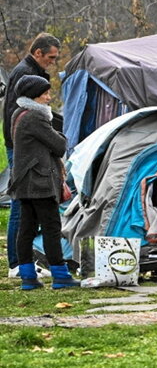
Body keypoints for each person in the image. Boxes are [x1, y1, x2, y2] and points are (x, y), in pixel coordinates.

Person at [8, 75, 79, 290]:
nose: (49, 97)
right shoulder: (35, 117)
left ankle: (28, 276)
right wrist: (58, 132)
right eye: (45, 93)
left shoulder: (18, 113)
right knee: (51, 227)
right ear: (34, 95)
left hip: (24, 181)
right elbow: (59, 145)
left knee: (27, 228)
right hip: (39, 181)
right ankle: (60, 275)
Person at [3, 32, 60, 278]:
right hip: (23, 148)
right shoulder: (25, 74)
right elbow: (18, 113)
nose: (53, 61)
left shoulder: (30, 71)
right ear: (38, 53)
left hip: (23, 145)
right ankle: (17, 263)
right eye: (51, 57)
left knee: (25, 208)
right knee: (21, 204)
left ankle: (23, 263)